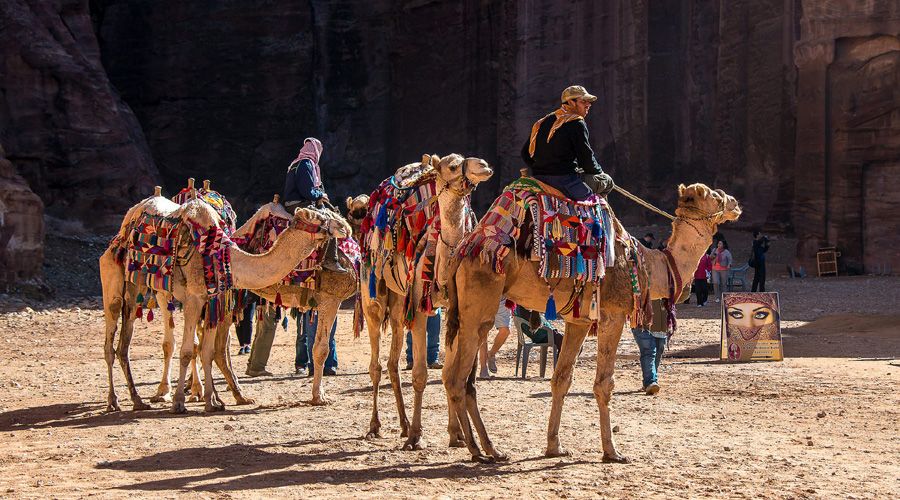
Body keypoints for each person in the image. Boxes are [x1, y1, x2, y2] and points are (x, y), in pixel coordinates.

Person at [521, 85, 615, 200]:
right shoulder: (576, 122)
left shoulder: (542, 122)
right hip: (564, 181)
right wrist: (599, 173)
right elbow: (586, 158)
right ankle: (597, 216)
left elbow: (525, 153)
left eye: (589, 102)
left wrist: (541, 168)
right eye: (584, 101)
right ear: (571, 102)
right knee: (608, 182)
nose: (588, 105)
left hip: (539, 178)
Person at [283, 137, 345, 272]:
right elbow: (307, 191)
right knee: (329, 222)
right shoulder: (306, 164)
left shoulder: (295, 163)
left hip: (291, 202)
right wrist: (320, 195)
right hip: (299, 204)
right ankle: (330, 260)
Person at [631, 300, 669, 395]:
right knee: (649, 352)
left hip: (661, 327)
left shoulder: (668, 285)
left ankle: (649, 382)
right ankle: (650, 382)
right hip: (642, 324)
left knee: (657, 353)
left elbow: (680, 297)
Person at [479, 298, 513, 379]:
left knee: (505, 330)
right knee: (483, 333)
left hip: (502, 298)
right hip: (484, 298)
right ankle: (483, 368)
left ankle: (491, 353)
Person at [296, 310, 338, 376]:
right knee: (312, 338)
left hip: (330, 306)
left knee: (329, 336)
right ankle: (314, 367)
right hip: (312, 307)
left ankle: (329, 366)